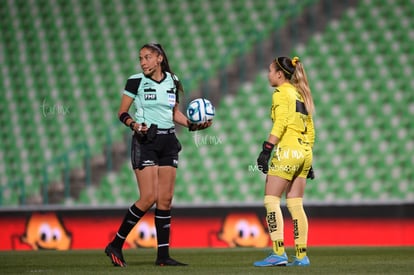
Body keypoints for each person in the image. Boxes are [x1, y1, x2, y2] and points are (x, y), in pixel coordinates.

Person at [105, 43, 211, 267]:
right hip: (146, 141)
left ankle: (163, 256)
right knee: (148, 198)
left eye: (147, 57)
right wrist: (134, 124)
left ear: (159, 58)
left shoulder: (173, 80)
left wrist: (193, 125)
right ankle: (115, 243)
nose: (143, 62)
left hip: (169, 141)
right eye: (140, 58)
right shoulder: (136, 81)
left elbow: (174, 114)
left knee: (165, 199)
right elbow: (121, 112)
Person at [253, 56, 315, 267]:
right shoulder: (300, 93)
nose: (268, 75)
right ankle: (301, 255)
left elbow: (281, 122)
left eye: (270, 71)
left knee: (271, 199)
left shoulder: (281, 93)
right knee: (295, 203)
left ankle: (278, 252)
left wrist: (267, 149)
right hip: (304, 150)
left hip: (288, 149)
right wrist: (307, 156)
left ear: (280, 74)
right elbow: (310, 127)